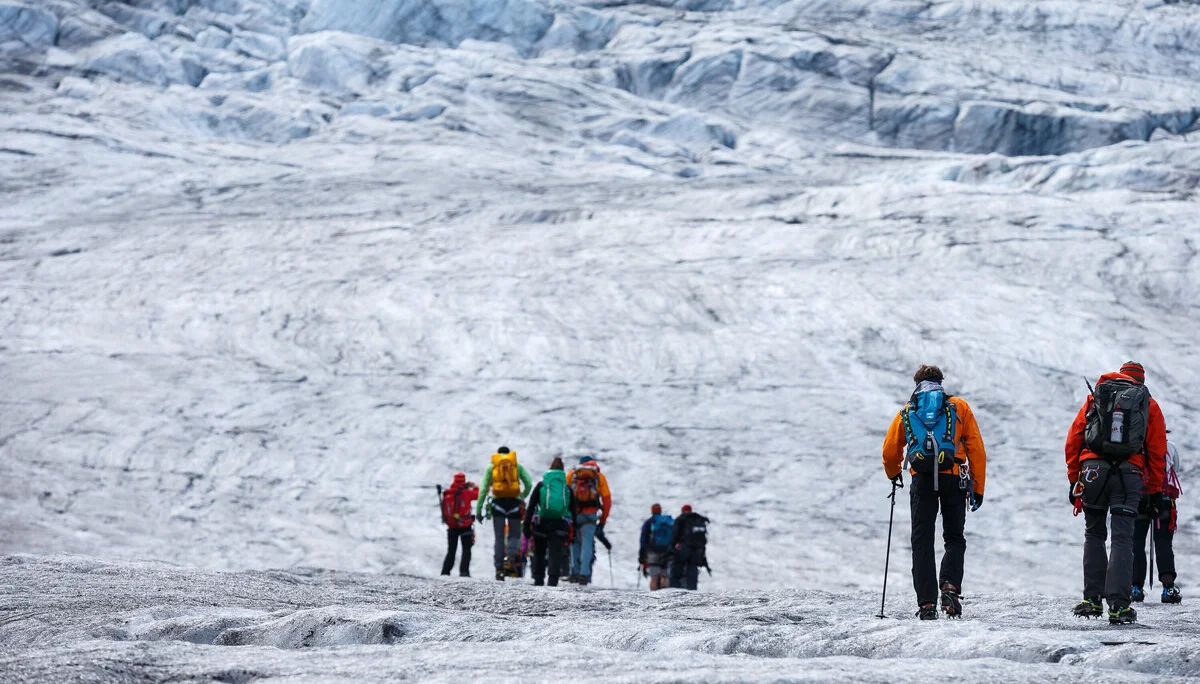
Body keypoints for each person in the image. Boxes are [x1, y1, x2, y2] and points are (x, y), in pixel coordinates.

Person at [882, 364, 987, 620]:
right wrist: (978, 487)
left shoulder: (908, 411)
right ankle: (950, 587)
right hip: (954, 478)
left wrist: (894, 473)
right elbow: (976, 448)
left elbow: (889, 451)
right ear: (941, 381)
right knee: (954, 538)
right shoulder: (959, 407)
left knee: (922, 541)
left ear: (916, 383)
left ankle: (927, 604)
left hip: (922, 481)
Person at [1066, 361, 1167, 624]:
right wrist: (1155, 491)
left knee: (1094, 533)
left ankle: (1092, 600)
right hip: (1128, 474)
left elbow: (1074, 439)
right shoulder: (1149, 404)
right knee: (1123, 537)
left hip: (1092, 472)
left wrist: (1074, 479)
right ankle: (1119, 606)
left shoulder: (1096, 396)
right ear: (1141, 382)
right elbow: (1157, 451)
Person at [1132, 435, 1183, 604]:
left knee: (1136, 543)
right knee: (1163, 543)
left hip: (1139, 498)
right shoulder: (1171, 446)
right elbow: (1177, 468)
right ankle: (1168, 587)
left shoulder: (1135, 444)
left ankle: (1135, 586)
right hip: (1164, 499)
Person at [474, 446, 533, 581]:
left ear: (498, 454)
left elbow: (483, 489)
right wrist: (521, 497)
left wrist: (478, 510)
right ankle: (511, 557)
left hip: (498, 504)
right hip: (514, 504)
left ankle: (499, 569)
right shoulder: (516, 465)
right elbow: (528, 484)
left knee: (499, 537)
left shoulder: (492, 467)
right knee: (514, 534)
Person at [523, 457, 576, 586]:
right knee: (555, 553)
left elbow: (531, 506)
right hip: (559, 525)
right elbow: (573, 510)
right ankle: (553, 580)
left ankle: (538, 578)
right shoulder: (566, 488)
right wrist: (574, 530)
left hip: (541, 523)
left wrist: (526, 525)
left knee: (539, 552)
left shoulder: (542, 485)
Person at [566, 455, 612, 586]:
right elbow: (607, 499)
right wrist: (603, 519)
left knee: (574, 542)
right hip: (590, 515)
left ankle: (574, 572)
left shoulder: (572, 474)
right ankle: (584, 574)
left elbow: (564, 493)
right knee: (587, 544)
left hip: (574, 514)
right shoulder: (598, 476)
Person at [439, 472, 479, 577]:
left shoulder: (448, 493)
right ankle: (464, 572)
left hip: (451, 526)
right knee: (466, 549)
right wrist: (474, 486)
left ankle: (445, 571)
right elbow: (478, 494)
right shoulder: (467, 493)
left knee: (451, 550)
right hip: (465, 525)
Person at [669, 504, 709, 590]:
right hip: (698, 549)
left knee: (677, 568)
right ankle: (692, 590)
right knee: (692, 568)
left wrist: (672, 548)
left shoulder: (681, 518)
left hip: (684, 548)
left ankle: (674, 590)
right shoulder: (698, 519)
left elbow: (674, 535)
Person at [639, 504, 674, 591]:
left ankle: (653, 598)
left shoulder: (649, 522)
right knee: (665, 576)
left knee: (654, 578)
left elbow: (643, 540)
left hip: (653, 552)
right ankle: (665, 597)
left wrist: (642, 556)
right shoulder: (667, 522)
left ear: (652, 511)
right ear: (660, 510)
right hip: (666, 552)